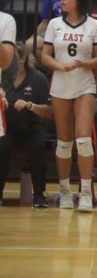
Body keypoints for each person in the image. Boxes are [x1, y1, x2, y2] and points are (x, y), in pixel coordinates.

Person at [42, 0, 97, 212]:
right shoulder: (55, 24)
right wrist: (58, 66)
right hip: (60, 84)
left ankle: (86, 192)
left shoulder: (95, 25)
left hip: (84, 85)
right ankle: (65, 190)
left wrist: (83, 63)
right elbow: (45, 55)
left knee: (83, 139)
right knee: (64, 141)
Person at [0, 43, 52, 207]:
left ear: (22, 59)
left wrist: (30, 105)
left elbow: (48, 112)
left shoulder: (38, 78)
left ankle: (39, 195)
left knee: (38, 147)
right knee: (2, 146)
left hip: (31, 127)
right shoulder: (2, 77)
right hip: (7, 126)